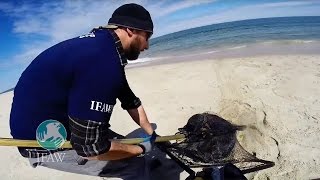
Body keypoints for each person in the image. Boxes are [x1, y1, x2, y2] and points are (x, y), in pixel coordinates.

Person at [9, 3, 157, 179]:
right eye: (147, 36)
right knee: (133, 163)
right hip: (43, 142)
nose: (147, 46)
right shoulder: (102, 62)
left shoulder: (104, 49)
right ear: (130, 30)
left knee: (122, 146)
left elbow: (130, 101)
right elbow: (90, 148)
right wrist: (140, 149)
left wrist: (151, 134)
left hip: (64, 120)